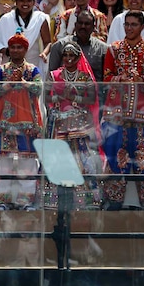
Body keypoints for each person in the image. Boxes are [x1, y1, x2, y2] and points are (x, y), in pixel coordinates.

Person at [101, 10, 144, 210]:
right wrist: (121, 79)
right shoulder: (114, 49)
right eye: (126, 24)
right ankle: (113, 199)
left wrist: (142, 80)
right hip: (118, 112)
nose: (129, 28)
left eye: (133, 25)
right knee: (115, 151)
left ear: (142, 27)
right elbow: (107, 77)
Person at [43, 41, 102, 209]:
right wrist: (60, 99)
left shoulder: (85, 77)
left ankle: (84, 199)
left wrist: (74, 98)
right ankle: (54, 199)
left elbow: (91, 99)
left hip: (79, 122)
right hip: (59, 121)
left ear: (78, 58)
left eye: (72, 56)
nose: (68, 59)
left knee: (81, 157)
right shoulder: (54, 75)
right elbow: (46, 98)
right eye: (65, 55)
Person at [0, 32, 42, 210]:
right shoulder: (1, 70)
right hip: (5, 123)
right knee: (5, 164)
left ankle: (25, 201)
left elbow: (39, 89)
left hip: (27, 122)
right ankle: (4, 201)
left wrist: (25, 83)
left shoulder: (33, 69)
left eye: (20, 47)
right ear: (8, 49)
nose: (16, 50)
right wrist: (10, 83)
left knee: (28, 163)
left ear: (26, 50)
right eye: (13, 47)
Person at [0, 0, 52, 72]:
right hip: (9, 65)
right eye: (21, 0)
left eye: (29, 0)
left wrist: (44, 53)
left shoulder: (40, 18)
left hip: (33, 64)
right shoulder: (6, 19)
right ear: (16, 2)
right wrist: (11, 52)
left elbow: (48, 42)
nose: (25, 3)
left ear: (34, 2)